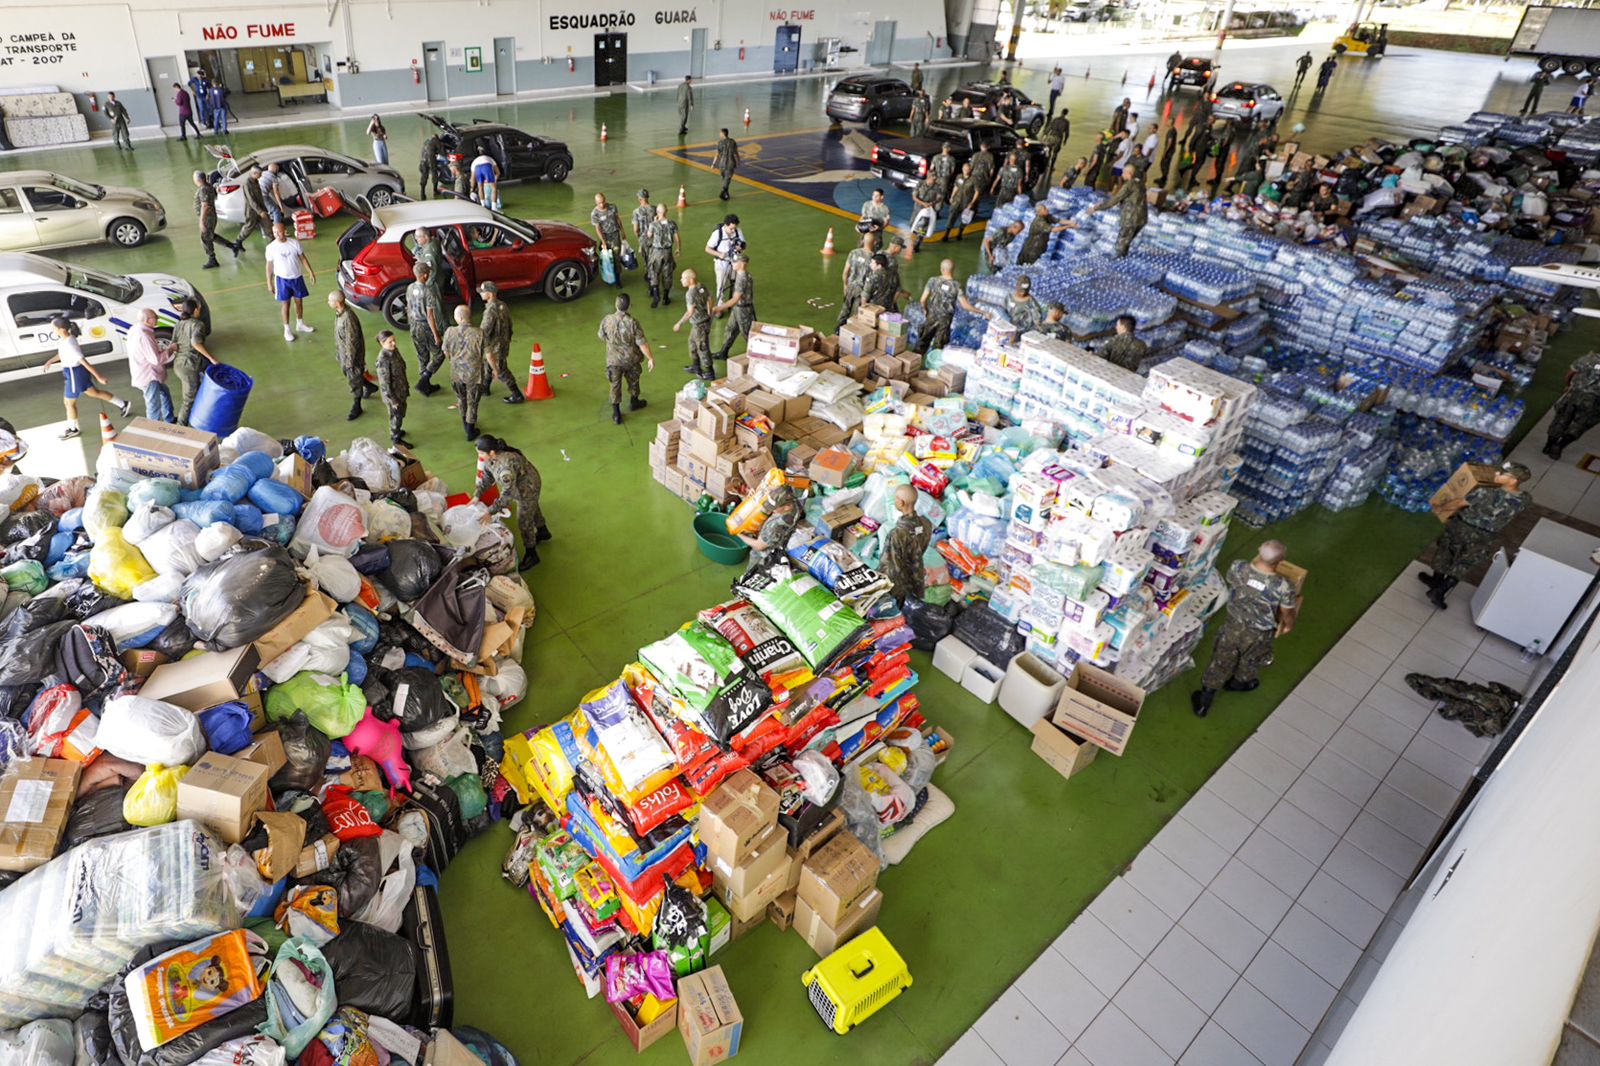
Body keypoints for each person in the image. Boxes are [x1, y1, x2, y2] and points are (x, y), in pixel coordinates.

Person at [1192, 540, 1299, 717]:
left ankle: (1205, 700)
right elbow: (1287, 613)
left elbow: (1240, 583)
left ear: (1259, 551)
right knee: (1251, 659)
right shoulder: (1283, 586)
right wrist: (1288, 625)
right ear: (1281, 561)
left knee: (1221, 659)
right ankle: (1239, 683)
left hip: (1233, 625)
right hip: (1259, 632)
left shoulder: (1238, 568)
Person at [1420, 461, 1531, 609]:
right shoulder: (1525, 499)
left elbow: (1459, 503)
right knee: (1466, 561)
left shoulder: (1486, 491)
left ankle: (1437, 583)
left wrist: (1440, 508)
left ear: (1513, 480)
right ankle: (1439, 588)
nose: (1497, 474)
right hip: (1485, 534)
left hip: (1462, 526)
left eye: (1503, 474)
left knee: (1446, 550)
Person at [43, 318, 129, 438]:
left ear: (61, 329)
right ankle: (123, 404)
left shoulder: (69, 343)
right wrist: (50, 361)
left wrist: (98, 377)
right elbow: (62, 353)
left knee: (69, 403)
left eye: (54, 328)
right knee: (94, 393)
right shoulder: (67, 339)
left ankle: (73, 429)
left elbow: (83, 361)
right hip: (76, 372)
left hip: (74, 373)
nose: (53, 330)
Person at [474, 435, 548, 570]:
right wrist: (476, 496)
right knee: (532, 507)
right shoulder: (491, 459)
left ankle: (532, 555)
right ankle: (543, 531)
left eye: (481, 453)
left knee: (523, 521)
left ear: (491, 452)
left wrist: (490, 512)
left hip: (528, 487)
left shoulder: (505, 469)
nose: (479, 456)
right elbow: (487, 477)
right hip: (523, 482)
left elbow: (507, 495)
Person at [598, 292, 655, 424]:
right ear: (629, 306)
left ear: (616, 305)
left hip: (614, 360)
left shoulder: (607, 320)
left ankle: (616, 414)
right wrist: (650, 358)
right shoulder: (633, 323)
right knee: (634, 381)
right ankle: (634, 402)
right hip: (631, 359)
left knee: (615, 385)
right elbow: (642, 343)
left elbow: (601, 335)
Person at [918, 259, 989, 352]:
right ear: (953, 270)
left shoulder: (932, 281)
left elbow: (922, 300)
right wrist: (983, 312)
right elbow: (965, 305)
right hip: (945, 321)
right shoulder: (956, 286)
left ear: (941, 269)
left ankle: (913, 363)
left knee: (922, 343)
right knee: (938, 349)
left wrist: (926, 310)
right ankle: (932, 365)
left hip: (931, 316)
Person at [324, 290, 373, 421]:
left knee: (353, 378)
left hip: (352, 356)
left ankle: (357, 405)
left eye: (330, 301)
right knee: (351, 374)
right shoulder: (339, 314)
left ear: (338, 303)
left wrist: (350, 361)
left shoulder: (348, 318)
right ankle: (369, 386)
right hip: (343, 353)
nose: (328, 303)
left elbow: (352, 341)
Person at [881, 484, 934, 604]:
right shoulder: (926, 524)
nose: (895, 501)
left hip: (899, 587)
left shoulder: (897, 534)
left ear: (901, 502)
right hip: (916, 579)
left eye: (896, 498)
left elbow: (890, 567)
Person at [265, 222, 316, 343]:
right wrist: (269, 282)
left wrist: (310, 272)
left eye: (279, 232)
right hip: (282, 280)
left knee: (299, 302)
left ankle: (300, 323)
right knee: (285, 304)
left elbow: (302, 258)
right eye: (274, 233)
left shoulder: (294, 243)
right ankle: (286, 329)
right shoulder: (271, 248)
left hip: (297, 278)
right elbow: (269, 266)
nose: (277, 234)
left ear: (285, 231)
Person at [442, 303, 486, 440]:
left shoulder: (449, 331)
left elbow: (445, 351)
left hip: (456, 374)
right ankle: (470, 431)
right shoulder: (480, 333)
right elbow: (486, 354)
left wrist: (453, 361)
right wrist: (495, 370)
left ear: (460, 318)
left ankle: (464, 424)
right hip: (474, 375)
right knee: (472, 402)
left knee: (461, 399)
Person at [170, 297, 217, 424]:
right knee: (189, 400)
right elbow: (196, 343)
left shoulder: (179, 324)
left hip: (179, 363)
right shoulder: (198, 324)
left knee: (201, 387)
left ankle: (202, 416)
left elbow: (174, 344)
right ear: (195, 310)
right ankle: (180, 427)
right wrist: (212, 358)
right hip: (188, 366)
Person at [1544, 351, 1600, 458]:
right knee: (1579, 425)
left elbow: (1570, 373)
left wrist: (1568, 386)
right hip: (1594, 401)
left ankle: (1548, 445)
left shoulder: (1587, 359)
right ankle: (1560, 445)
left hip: (1574, 394)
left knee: (1561, 419)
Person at [738, 482, 801, 575]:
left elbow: (758, 546)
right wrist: (751, 497)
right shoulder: (792, 502)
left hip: (764, 557)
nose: (771, 509)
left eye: (775, 508)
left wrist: (739, 534)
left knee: (751, 575)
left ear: (787, 507)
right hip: (776, 542)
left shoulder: (776, 525)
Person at [126, 308, 175, 423]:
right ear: (147, 320)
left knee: (164, 393)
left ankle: (170, 419)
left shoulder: (135, 329)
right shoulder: (144, 336)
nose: (157, 318)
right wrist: (170, 349)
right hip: (149, 376)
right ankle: (153, 429)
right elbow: (155, 360)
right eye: (155, 317)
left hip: (144, 371)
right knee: (153, 406)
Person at [478, 281, 523, 404]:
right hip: (503, 343)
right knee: (488, 365)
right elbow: (510, 324)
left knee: (501, 370)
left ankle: (517, 394)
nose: (481, 294)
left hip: (494, 346)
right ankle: (485, 388)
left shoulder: (490, 311)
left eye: (483, 292)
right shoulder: (502, 305)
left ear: (490, 293)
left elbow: (484, 331)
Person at [1091, 164, 1148, 256]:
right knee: (1126, 242)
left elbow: (1115, 200)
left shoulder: (1129, 185)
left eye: (1123, 172)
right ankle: (1123, 258)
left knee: (1121, 244)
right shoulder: (1140, 183)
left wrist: (1096, 208)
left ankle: (1117, 263)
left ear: (1129, 173)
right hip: (1142, 219)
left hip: (1130, 219)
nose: (1121, 175)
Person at [408, 263, 445, 396]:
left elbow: (409, 308)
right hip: (425, 326)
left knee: (422, 354)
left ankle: (426, 386)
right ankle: (425, 379)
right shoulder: (429, 291)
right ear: (425, 275)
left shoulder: (410, 288)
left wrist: (412, 325)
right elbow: (430, 315)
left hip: (414, 325)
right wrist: (436, 335)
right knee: (440, 353)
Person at [193, 171, 242, 269]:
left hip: (208, 217)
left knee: (205, 238)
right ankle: (233, 246)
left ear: (197, 180)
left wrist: (202, 221)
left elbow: (205, 206)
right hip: (210, 215)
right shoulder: (208, 186)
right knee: (210, 236)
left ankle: (212, 259)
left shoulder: (203, 189)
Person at [674, 268, 715, 380]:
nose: (681, 280)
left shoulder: (690, 294)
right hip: (702, 322)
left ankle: (710, 372)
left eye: (683, 278)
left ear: (690, 280)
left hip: (699, 325)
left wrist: (679, 323)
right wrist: (709, 312)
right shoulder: (701, 286)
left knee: (702, 348)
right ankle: (696, 366)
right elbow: (710, 299)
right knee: (692, 344)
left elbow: (690, 312)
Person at [713, 255, 756, 361]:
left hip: (744, 310)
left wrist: (719, 308)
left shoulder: (742, 278)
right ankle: (724, 352)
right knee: (731, 329)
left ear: (741, 264)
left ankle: (756, 357)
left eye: (735, 262)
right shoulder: (742, 275)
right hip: (738, 308)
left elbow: (736, 298)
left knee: (748, 334)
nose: (733, 264)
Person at [374, 330, 412, 447]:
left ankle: (397, 430)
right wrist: (394, 401)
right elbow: (385, 384)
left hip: (400, 390)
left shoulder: (394, 351)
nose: (394, 343)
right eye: (390, 342)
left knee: (400, 414)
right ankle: (396, 438)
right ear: (382, 343)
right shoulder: (383, 360)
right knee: (396, 416)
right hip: (393, 396)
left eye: (394, 340)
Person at [836, 230, 878, 328]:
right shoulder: (874, 259)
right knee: (855, 316)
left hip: (851, 287)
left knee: (845, 311)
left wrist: (845, 285)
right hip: (861, 292)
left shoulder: (853, 253)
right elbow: (872, 281)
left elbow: (845, 272)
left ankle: (838, 329)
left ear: (863, 240)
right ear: (875, 242)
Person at [705, 214, 746, 305]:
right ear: (725, 225)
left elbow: (743, 245)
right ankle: (720, 305)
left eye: (734, 228)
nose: (733, 231)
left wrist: (739, 248)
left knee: (736, 283)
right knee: (721, 286)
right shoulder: (717, 234)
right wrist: (719, 254)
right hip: (721, 263)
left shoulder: (738, 231)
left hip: (735, 262)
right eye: (731, 228)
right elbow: (707, 249)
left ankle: (734, 302)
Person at [647, 204, 681, 308]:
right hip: (668, 252)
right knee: (667, 274)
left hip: (657, 252)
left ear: (657, 212)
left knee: (654, 272)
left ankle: (656, 295)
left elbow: (649, 235)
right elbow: (677, 238)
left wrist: (654, 221)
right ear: (666, 211)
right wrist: (678, 248)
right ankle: (666, 298)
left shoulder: (653, 224)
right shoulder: (672, 224)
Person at [589, 194, 626, 289]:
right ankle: (609, 277)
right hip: (605, 237)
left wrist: (622, 231)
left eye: (603, 201)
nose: (601, 204)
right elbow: (598, 229)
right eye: (599, 203)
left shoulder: (612, 207)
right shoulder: (595, 213)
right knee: (608, 260)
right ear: (596, 203)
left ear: (605, 199)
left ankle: (618, 279)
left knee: (616, 258)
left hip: (615, 235)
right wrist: (603, 242)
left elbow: (618, 219)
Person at [232, 164, 269, 250]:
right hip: (252, 211)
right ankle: (238, 242)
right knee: (249, 227)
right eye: (260, 174)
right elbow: (251, 200)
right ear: (254, 173)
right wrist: (260, 211)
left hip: (260, 208)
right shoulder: (247, 184)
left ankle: (273, 242)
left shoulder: (255, 181)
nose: (261, 176)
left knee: (267, 225)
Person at [412, 226, 447, 307]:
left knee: (436, 309)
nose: (416, 239)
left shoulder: (429, 253)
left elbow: (432, 271)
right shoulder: (433, 241)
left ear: (426, 237)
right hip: (439, 278)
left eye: (418, 237)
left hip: (434, 284)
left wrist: (427, 285)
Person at [945, 162, 980, 240]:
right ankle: (946, 235)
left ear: (970, 170)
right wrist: (952, 196)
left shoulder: (974, 179)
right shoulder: (959, 177)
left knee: (965, 219)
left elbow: (977, 192)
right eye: (964, 169)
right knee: (951, 217)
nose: (966, 171)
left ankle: (959, 234)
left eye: (967, 169)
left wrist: (972, 202)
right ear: (962, 169)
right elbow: (956, 187)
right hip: (957, 201)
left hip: (967, 202)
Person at [910, 176, 942, 251]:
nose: (934, 180)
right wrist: (923, 203)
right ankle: (914, 240)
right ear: (928, 178)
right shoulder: (920, 184)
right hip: (918, 208)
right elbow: (914, 197)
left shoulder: (937, 187)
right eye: (932, 179)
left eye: (935, 179)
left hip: (927, 210)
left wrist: (933, 203)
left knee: (922, 228)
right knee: (913, 224)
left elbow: (940, 197)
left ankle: (916, 245)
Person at [928, 141, 959, 207]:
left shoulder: (935, 157)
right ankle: (937, 210)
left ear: (942, 148)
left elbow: (931, 169)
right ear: (949, 149)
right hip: (945, 179)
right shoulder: (952, 159)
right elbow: (952, 170)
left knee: (933, 193)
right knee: (941, 195)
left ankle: (931, 207)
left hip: (935, 178)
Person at [713, 128, 740, 201]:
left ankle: (725, 193)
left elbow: (717, 154)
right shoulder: (733, 142)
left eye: (720, 133)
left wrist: (713, 163)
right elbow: (736, 153)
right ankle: (724, 192)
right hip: (731, 163)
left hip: (722, 163)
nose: (719, 134)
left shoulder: (720, 143)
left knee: (725, 179)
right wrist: (738, 161)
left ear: (723, 134)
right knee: (727, 179)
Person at [420, 131, 442, 200]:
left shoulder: (426, 142)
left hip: (423, 160)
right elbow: (442, 151)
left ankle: (422, 192)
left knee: (424, 175)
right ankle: (435, 191)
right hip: (431, 160)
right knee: (434, 174)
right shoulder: (436, 141)